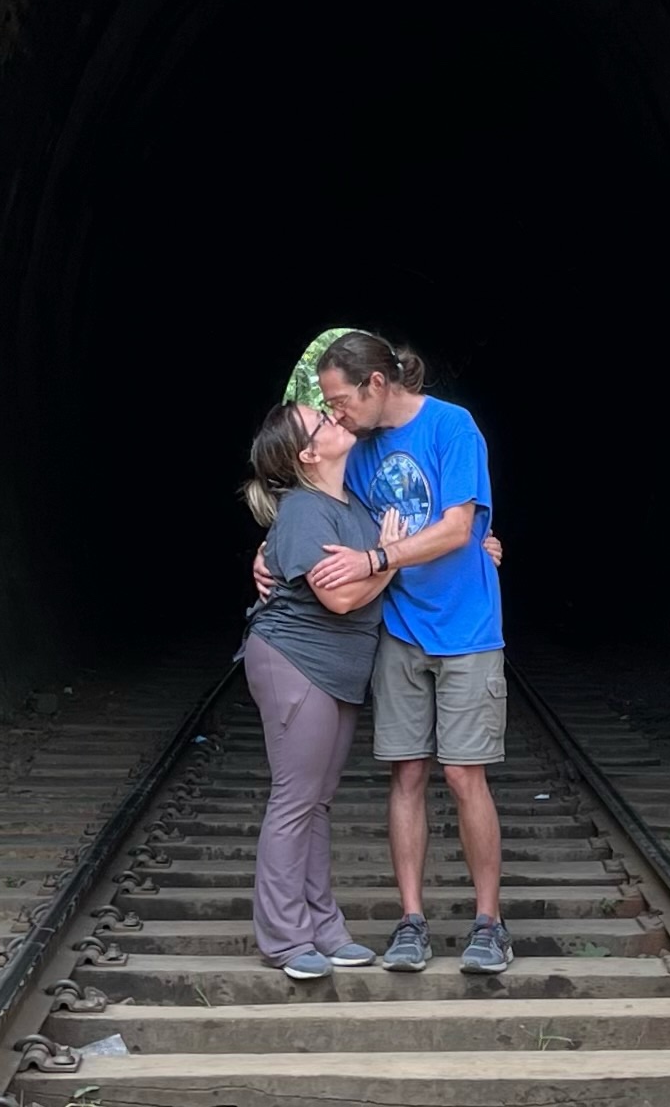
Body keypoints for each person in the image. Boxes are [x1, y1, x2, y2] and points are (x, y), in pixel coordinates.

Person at [256, 332, 511, 974]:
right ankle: (410, 921)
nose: (335, 414)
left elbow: (455, 527)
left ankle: (489, 923)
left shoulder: (452, 426)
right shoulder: (358, 447)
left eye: (340, 400)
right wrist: (267, 555)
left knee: (464, 775)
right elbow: (311, 510)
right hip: (395, 629)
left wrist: (385, 556)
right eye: (326, 410)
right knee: (405, 773)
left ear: (375, 384)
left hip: (466, 626)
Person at [238, 400, 404, 981]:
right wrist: (387, 562)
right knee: (295, 798)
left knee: (317, 800)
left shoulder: (349, 502)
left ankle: (325, 929)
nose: (336, 420)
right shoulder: (306, 508)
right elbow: (339, 598)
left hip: (336, 667)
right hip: (294, 659)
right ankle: (285, 940)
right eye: (322, 422)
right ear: (308, 455)